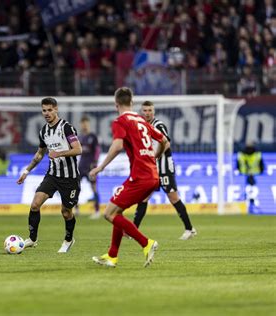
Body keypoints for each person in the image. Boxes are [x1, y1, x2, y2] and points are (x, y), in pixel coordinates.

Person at [89, 87, 169, 268]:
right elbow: (164, 140)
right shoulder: (141, 120)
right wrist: (155, 157)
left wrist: (100, 167)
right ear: (132, 103)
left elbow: (117, 146)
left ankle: (146, 243)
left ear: (116, 104)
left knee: (109, 213)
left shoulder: (120, 121)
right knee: (118, 212)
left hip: (141, 177)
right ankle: (112, 256)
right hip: (152, 176)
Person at [17, 97, 82, 253]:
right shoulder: (44, 131)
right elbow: (40, 154)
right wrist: (26, 171)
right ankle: (32, 239)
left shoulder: (67, 127)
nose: (46, 113)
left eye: (49, 110)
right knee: (34, 204)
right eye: (44, 110)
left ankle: (68, 239)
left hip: (70, 178)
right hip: (52, 175)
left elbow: (78, 149)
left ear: (56, 109)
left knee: (66, 212)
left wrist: (59, 153)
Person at [133, 101, 197, 240]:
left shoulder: (159, 125)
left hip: (164, 168)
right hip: (151, 169)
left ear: (153, 111)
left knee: (173, 197)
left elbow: (166, 143)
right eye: (145, 110)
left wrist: (155, 156)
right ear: (142, 112)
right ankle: (133, 230)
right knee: (143, 197)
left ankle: (189, 228)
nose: (147, 113)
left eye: (150, 110)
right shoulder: (141, 127)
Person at [76, 116, 101, 219]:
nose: (84, 125)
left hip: (91, 166)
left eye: (86, 123)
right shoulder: (80, 137)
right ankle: (76, 209)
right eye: (83, 123)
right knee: (75, 187)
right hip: (81, 166)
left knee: (94, 188)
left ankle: (97, 211)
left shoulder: (93, 136)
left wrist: (95, 163)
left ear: (88, 124)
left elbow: (97, 151)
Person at [237, 142, 265, 212]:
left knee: (250, 190)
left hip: (246, 175)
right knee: (251, 190)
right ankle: (251, 204)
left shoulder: (241, 155)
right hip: (254, 175)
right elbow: (262, 165)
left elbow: (238, 165)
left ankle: (249, 204)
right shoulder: (257, 154)